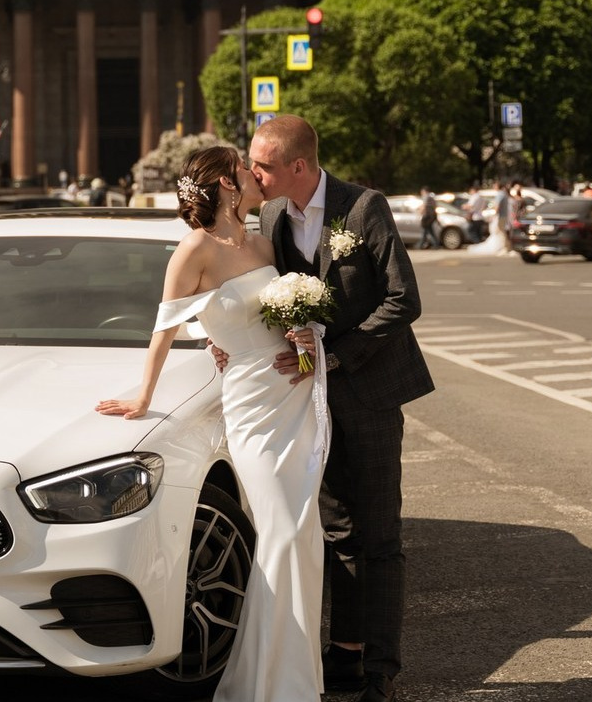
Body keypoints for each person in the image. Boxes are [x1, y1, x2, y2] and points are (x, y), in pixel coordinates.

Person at [97, 145, 327, 701]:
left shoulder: (264, 241)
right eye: (249, 170)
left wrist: (304, 340)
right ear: (229, 182)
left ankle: (294, 677)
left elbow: (281, 314)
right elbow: (166, 328)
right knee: (282, 528)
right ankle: (269, 684)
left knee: (305, 532)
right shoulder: (194, 250)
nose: (257, 176)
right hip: (250, 402)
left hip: (294, 394)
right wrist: (145, 393)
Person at [238, 115, 434, 702]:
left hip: (370, 392)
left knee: (378, 535)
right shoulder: (271, 218)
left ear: (298, 166)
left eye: (264, 165)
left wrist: (337, 355)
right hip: (305, 398)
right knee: (333, 530)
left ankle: (381, 670)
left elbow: (404, 298)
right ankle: (344, 653)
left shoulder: (364, 207)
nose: (255, 174)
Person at [468, 180, 511, 256]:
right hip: (503, 216)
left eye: (494, 185)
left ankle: (504, 248)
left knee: (501, 232)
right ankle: (506, 247)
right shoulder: (504, 194)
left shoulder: (499, 194)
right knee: (502, 232)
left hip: (500, 216)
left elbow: (497, 207)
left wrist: (493, 215)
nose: (493, 187)